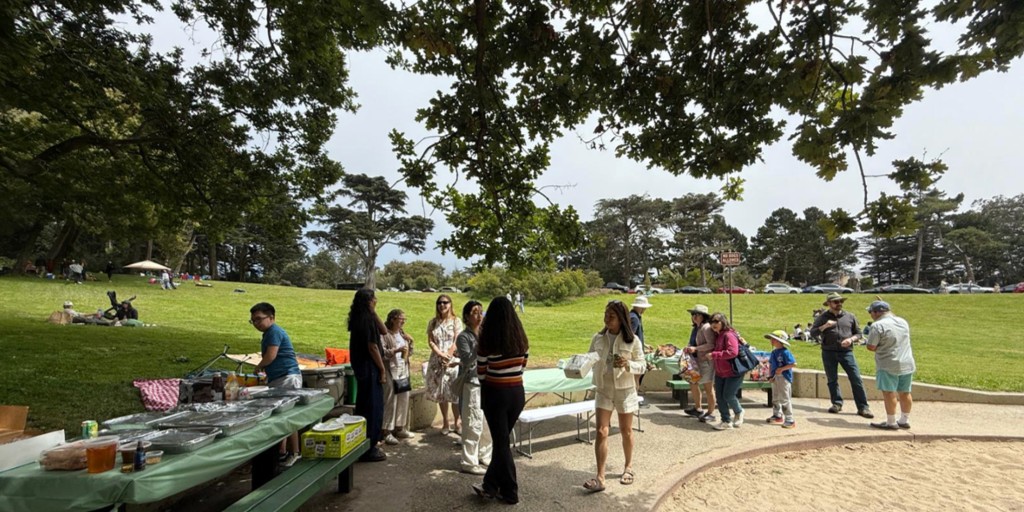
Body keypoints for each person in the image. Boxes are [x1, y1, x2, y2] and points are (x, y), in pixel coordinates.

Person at [583, 300, 646, 493]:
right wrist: (578, 365)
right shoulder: (598, 338)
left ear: (621, 319)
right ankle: (600, 477)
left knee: (626, 430)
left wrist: (628, 364)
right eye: (605, 315)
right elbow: (588, 359)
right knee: (601, 431)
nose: (607, 319)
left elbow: (642, 365)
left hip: (625, 390)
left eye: (611, 316)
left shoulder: (632, 341)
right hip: (604, 389)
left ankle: (628, 467)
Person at [472, 296, 528, 505]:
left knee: (501, 443)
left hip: (495, 394)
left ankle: (511, 492)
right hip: (517, 393)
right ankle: (490, 485)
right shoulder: (521, 339)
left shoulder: (487, 341)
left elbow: (481, 373)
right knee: (501, 441)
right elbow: (522, 366)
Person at [250, 302, 302, 467]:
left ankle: (295, 453)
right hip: (279, 378)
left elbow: (271, 355)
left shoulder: (274, 331)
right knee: (281, 415)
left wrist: (259, 366)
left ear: (271, 317)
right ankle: (282, 451)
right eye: (253, 321)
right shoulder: (269, 333)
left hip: (287, 377)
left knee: (288, 416)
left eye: (259, 319)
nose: (256, 323)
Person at [809, 293, 874, 418]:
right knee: (832, 379)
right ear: (829, 304)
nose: (839, 304)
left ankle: (863, 407)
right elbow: (813, 333)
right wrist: (825, 326)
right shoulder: (822, 317)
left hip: (846, 352)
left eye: (841, 301)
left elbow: (859, 333)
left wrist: (851, 339)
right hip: (828, 352)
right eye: (836, 302)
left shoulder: (850, 316)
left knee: (856, 378)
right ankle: (837, 403)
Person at [348, 289, 388, 462]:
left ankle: (364, 443)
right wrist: (382, 369)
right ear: (369, 301)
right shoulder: (367, 320)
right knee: (373, 407)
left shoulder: (359, 317)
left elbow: (384, 331)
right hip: (369, 367)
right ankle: (369, 446)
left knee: (364, 404)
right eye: (374, 299)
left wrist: (373, 312)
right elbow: (373, 347)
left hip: (361, 367)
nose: (376, 301)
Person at [864, 301, 916, 430]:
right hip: (906, 362)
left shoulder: (877, 325)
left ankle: (891, 422)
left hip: (888, 363)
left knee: (889, 392)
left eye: (871, 312)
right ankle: (904, 420)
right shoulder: (903, 321)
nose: (870, 315)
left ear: (876, 312)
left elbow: (871, 347)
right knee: (905, 392)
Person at [456, 300, 492, 475]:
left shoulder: (485, 333)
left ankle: (485, 455)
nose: (479, 316)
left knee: (486, 423)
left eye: (481, 312)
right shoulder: (463, 337)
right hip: (472, 383)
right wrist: (480, 343)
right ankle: (469, 462)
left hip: (487, 382)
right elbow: (467, 360)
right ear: (466, 317)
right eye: (475, 312)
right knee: (472, 423)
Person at [425, 294, 463, 435]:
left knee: (453, 392)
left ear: (450, 304)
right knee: (441, 393)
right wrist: (440, 354)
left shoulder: (456, 321)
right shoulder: (433, 322)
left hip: (452, 359)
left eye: (445, 302)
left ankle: (457, 422)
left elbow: (457, 339)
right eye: (439, 303)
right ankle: (445, 422)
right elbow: (431, 341)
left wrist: (448, 355)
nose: (442, 305)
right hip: (437, 360)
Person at [381, 309, 414, 444]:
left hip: (402, 370)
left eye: (404, 319)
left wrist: (410, 343)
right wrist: (396, 350)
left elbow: (409, 353)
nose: (403, 322)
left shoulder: (402, 333)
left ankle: (400, 427)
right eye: (401, 319)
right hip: (390, 370)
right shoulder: (384, 334)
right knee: (391, 399)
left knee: (403, 397)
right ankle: (386, 431)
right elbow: (383, 353)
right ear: (393, 319)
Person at [707, 312, 745, 430]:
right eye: (711, 322)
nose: (713, 324)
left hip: (733, 371)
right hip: (720, 372)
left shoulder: (729, 335)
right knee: (720, 397)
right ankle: (726, 421)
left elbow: (733, 352)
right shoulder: (718, 335)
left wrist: (714, 354)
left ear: (723, 322)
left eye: (716, 321)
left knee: (728, 395)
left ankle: (738, 411)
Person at [682, 304, 716, 423]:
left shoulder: (706, 328)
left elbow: (711, 344)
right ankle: (698, 408)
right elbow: (693, 343)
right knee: (693, 383)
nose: (694, 317)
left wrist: (696, 349)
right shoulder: (696, 328)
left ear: (703, 316)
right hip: (696, 361)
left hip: (706, 361)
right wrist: (688, 348)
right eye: (693, 314)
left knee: (708, 387)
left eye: (697, 314)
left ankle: (711, 413)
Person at [764, 330, 797, 428]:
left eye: (773, 339)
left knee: (784, 398)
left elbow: (793, 364)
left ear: (780, 341)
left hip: (784, 377)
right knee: (775, 397)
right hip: (775, 377)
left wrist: (782, 369)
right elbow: (771, 364)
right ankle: (777, 415)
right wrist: (771, 375)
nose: (771, 341)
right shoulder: (774, 352)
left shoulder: (785, 352)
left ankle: (790, 419)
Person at [629, 295, 652, 402]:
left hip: (636, 350)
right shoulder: (634, 318)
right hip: (635, 354)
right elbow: (630, 336)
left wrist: (644, 345)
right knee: (636, 377)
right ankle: (634, 399)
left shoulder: (634, 316)